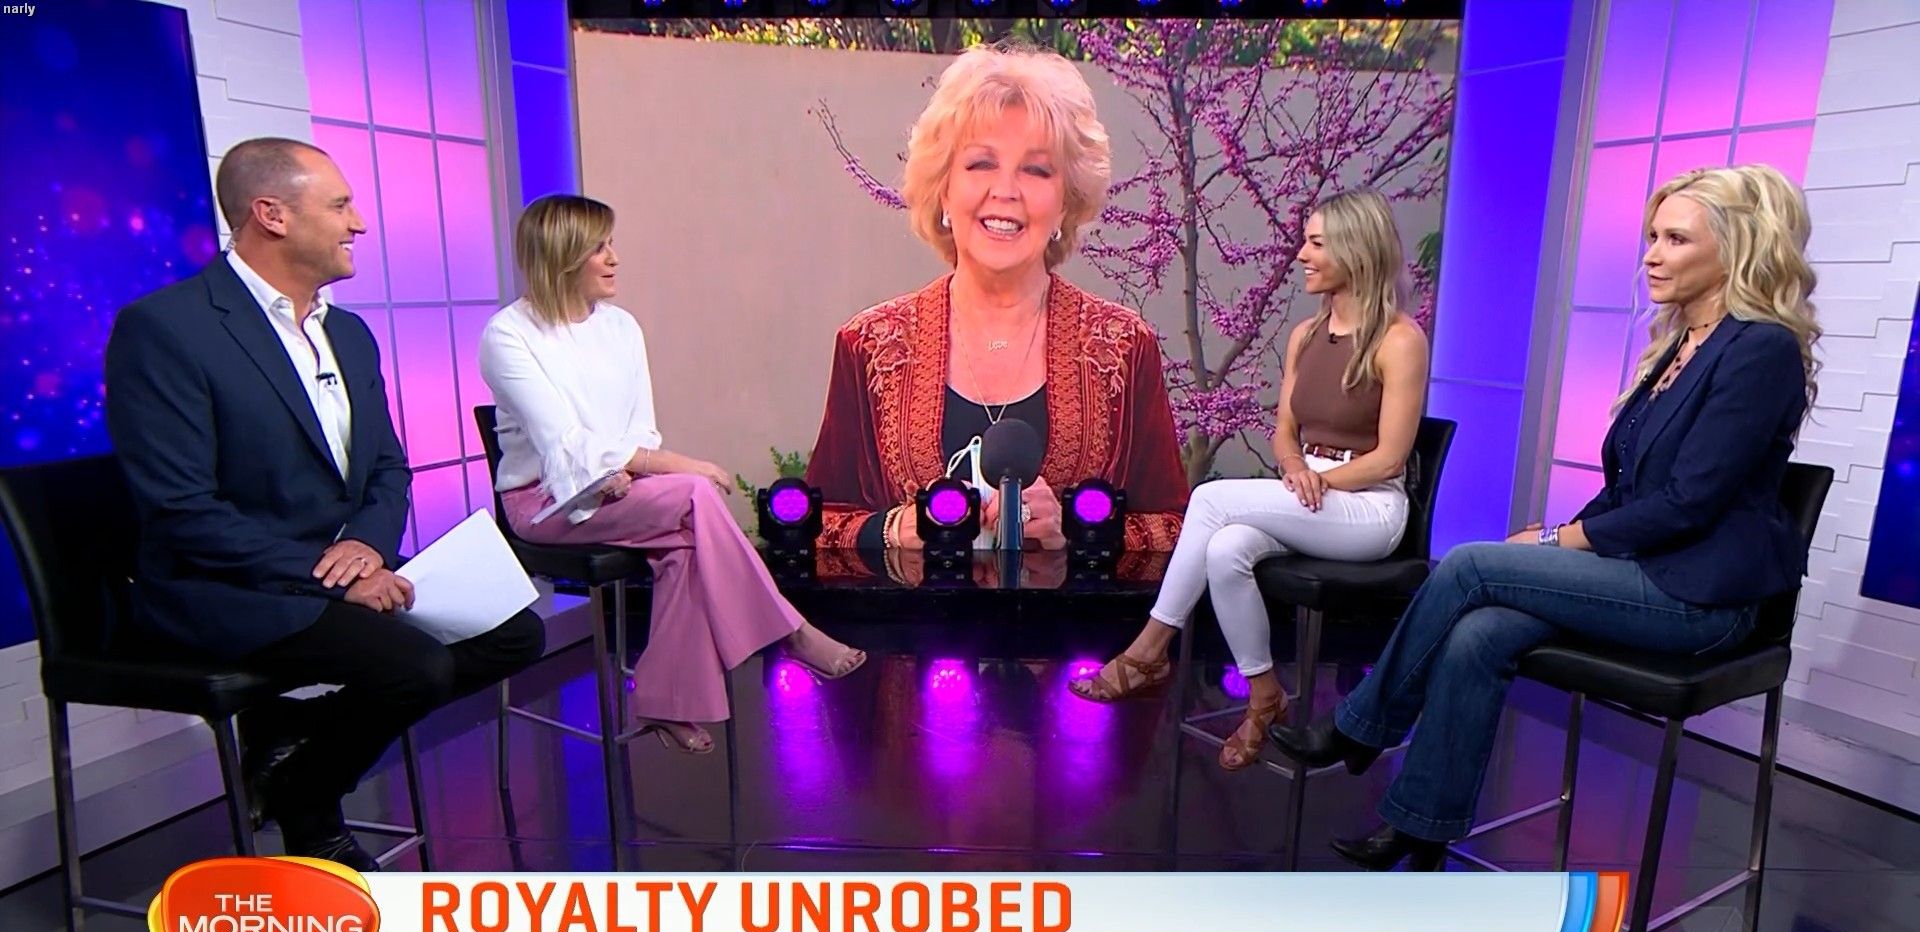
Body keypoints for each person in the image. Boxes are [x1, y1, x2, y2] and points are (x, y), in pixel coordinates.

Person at [1271, 164, 1822, 871]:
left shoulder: (1760, 350)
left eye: (1676, 239)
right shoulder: (1681, 345)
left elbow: (1690, 502)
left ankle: (1360, 728)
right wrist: (1560, 541)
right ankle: (1420, 829)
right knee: (1480, 632)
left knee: (1470, 564)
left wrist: (1565, 540)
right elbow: (1631, 488)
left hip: (1699, 598)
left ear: (1735, 247)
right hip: (1641, 571)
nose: (1652, 255)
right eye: (1652, 237)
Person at [105, 137, 546, 871]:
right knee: (414, 667)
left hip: (333, 567)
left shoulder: (348, 332)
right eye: (340, 205)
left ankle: (293, 737)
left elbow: (388, 467)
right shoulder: (167, 329)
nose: (359, 223)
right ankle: (309, 806)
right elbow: (181, 509)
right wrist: (329, 574)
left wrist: (367, 547)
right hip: (223, 583)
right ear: (271, 214)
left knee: (514, 634)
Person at [482, 194, 865, 755]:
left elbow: (639, 430)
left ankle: (667, 701)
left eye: (611, 244)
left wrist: (627, 469)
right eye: (598, 248)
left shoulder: (621, 327)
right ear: (562, 256)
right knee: (693, 492)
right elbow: (564, 440)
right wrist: (673, 466)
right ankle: (791, 631)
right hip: (545, 503)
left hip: (623, 488)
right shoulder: (507, 335)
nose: (614, 258)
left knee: (686, 545)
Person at [1070, 190, 1429, 774]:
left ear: (1355, 250)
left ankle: (1148, 650)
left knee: (1211, 498)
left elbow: (1390, 459)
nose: (1301, 255)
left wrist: (1321, 481)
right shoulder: (1306, 335)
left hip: (1368, 507)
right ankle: (1264, 694)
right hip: (1309, 488)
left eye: (1316, 243)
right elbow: (1285, 431)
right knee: (1226, 548)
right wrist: (1295, 468)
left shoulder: (1399, 340)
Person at [804, 43, 1189, 554]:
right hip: (908, 610)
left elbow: (1177, 532)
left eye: (1036, 170)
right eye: (981, 163)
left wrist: (1078, 530)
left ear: (1066, 203)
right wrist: (893, 531)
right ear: (943, 190)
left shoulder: (1124, 347)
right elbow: (813, 528)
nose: (1006, 190)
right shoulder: (869, 345)